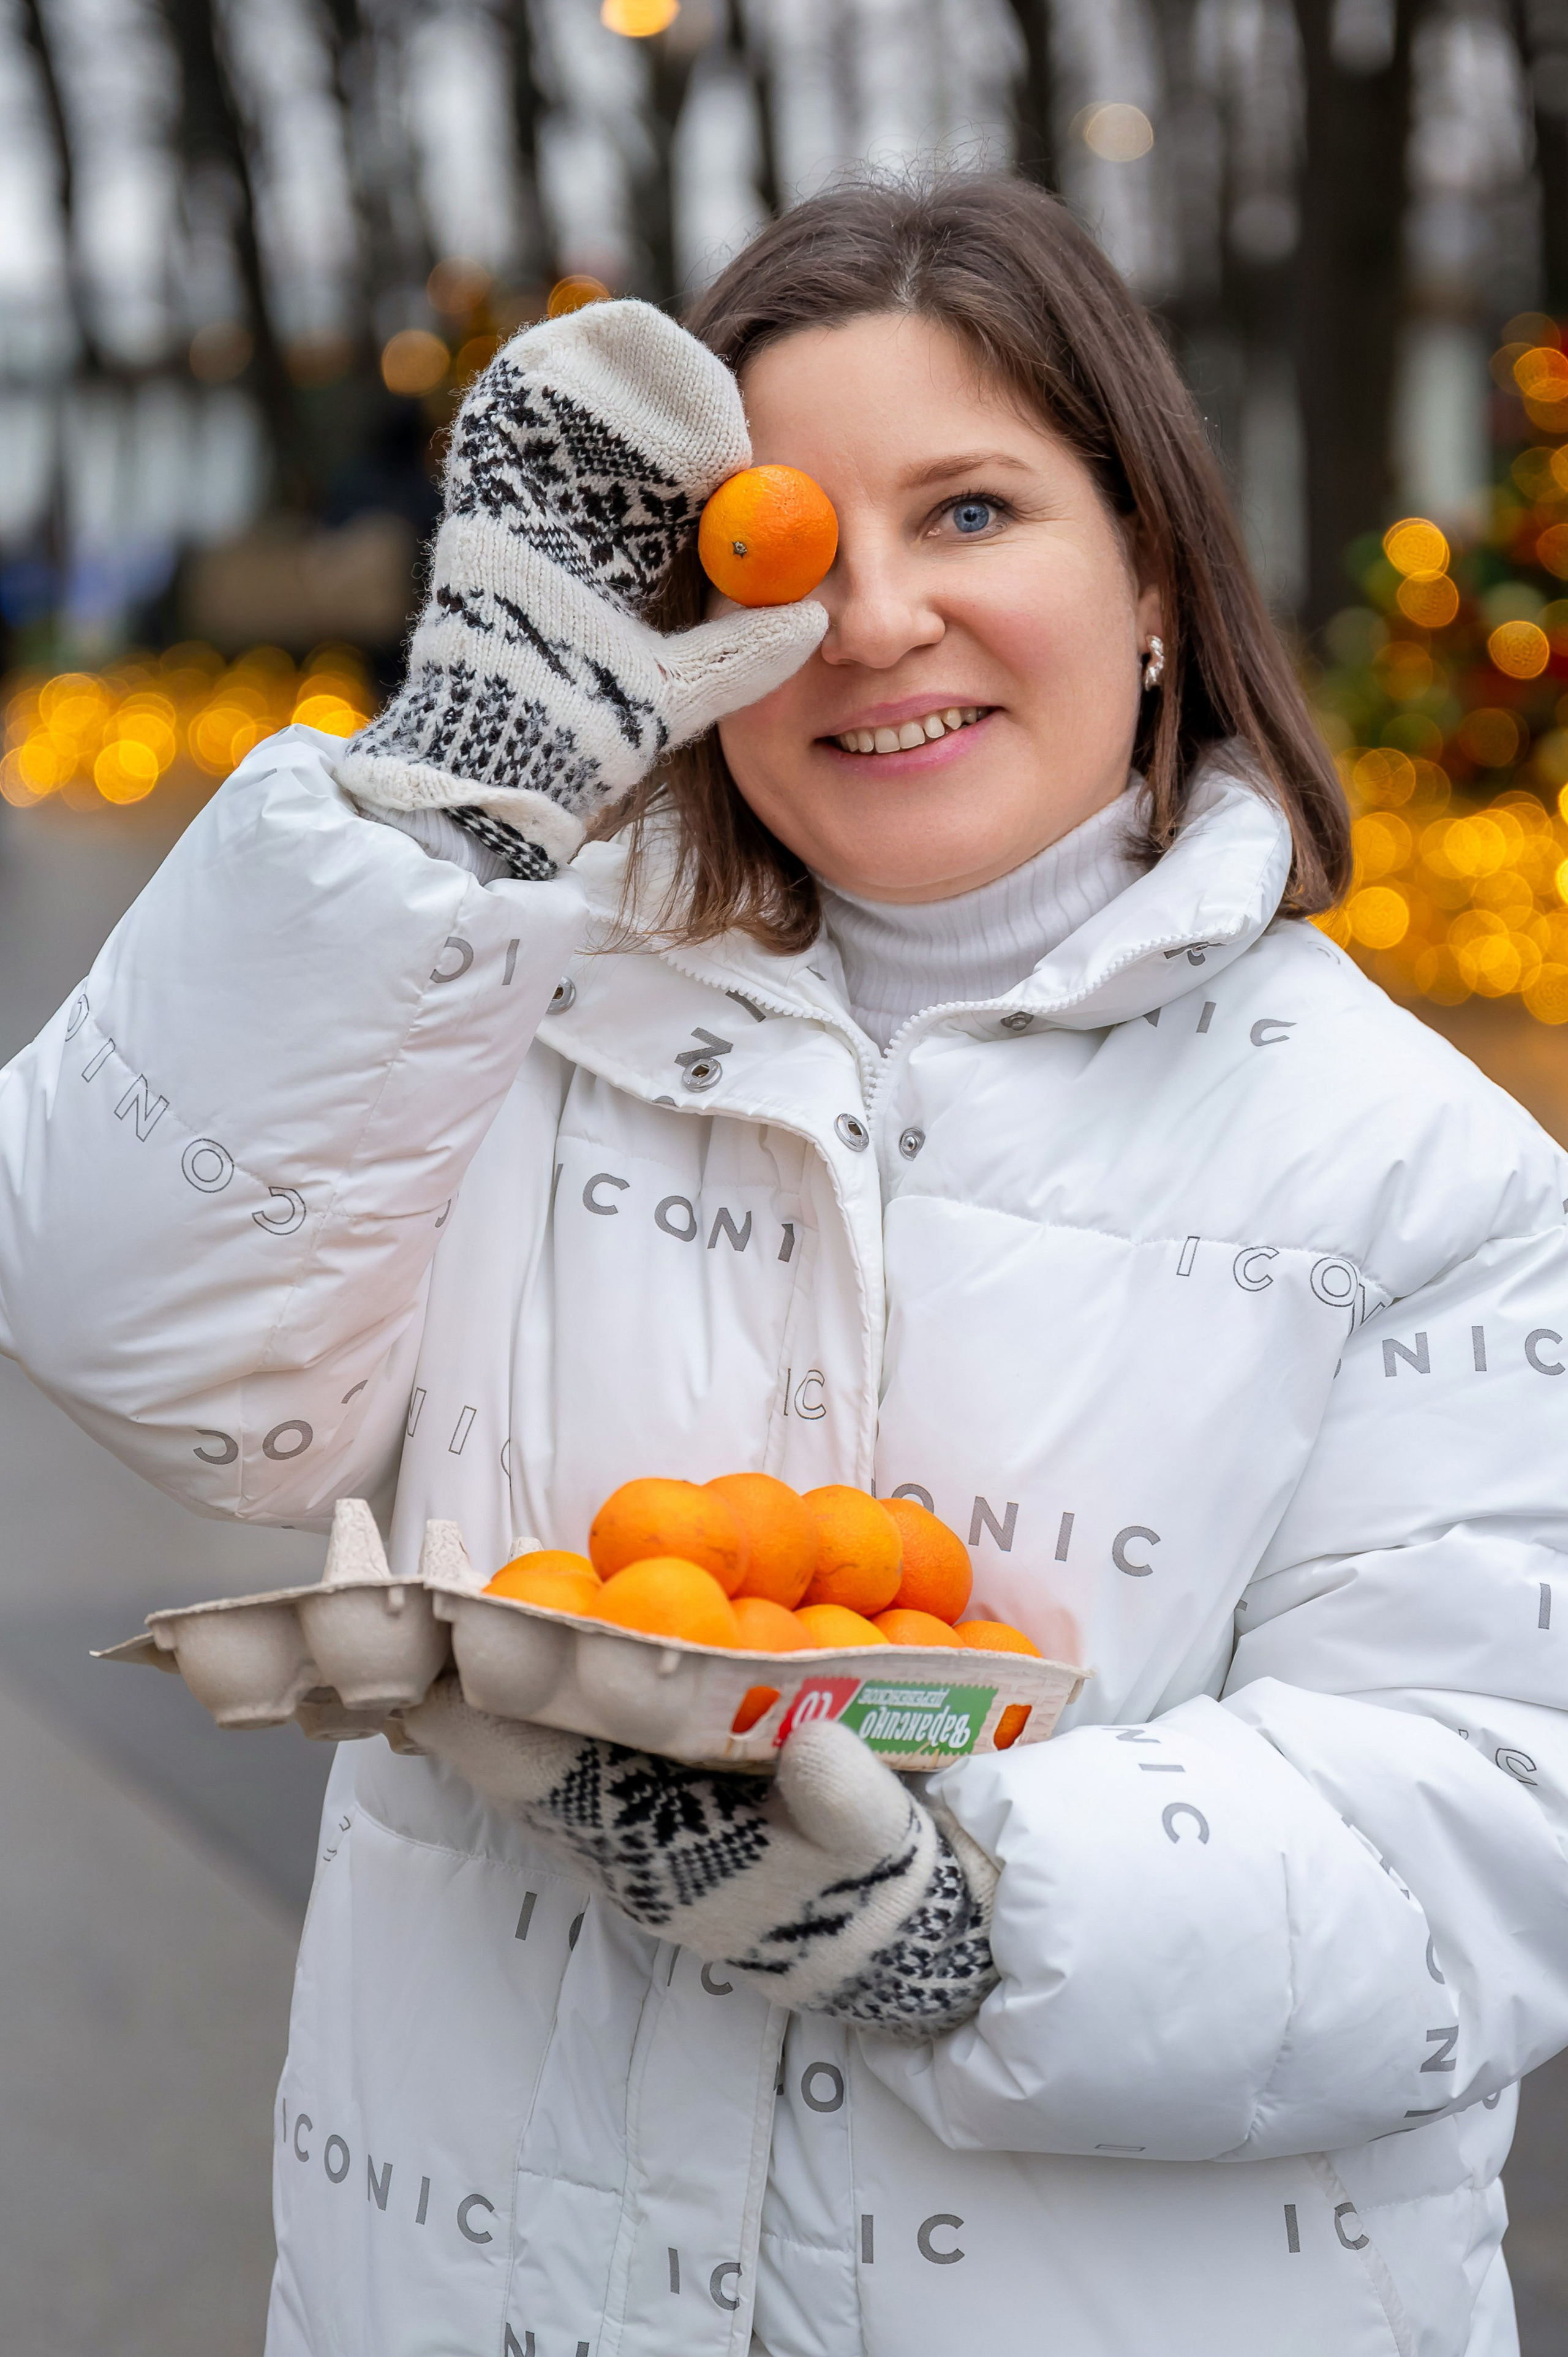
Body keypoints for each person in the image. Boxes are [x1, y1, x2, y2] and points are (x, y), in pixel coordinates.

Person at [2, 172, 1566, 2357]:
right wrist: (452, 813)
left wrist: (959, 1917)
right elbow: (123, 1319)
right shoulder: (510, 1017)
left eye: (974, 514)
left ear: (1152, 581)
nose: (871, 623)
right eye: (797, 551)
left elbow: (1488, 1830)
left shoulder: (1420, 1173)